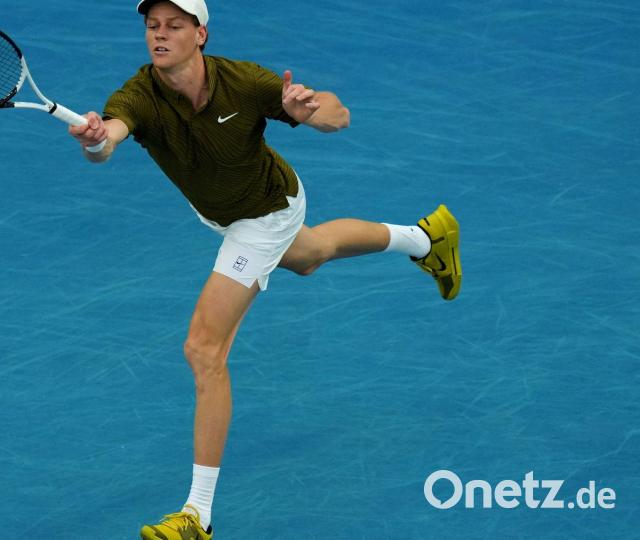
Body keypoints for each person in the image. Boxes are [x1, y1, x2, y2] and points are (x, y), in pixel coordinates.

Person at [68, 1, 461, 537]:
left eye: (174, 26)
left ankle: (195, 516)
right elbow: (110, 137)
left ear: (200, 34)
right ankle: (426, 239)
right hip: (225, 216)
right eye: (152, 26)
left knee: (204, 349)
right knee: (312, 254)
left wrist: (310, 110)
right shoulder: (137, 95)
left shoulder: (244, 81)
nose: (159, 36)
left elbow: (336, 114)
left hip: (267, 210)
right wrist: (97, 142)